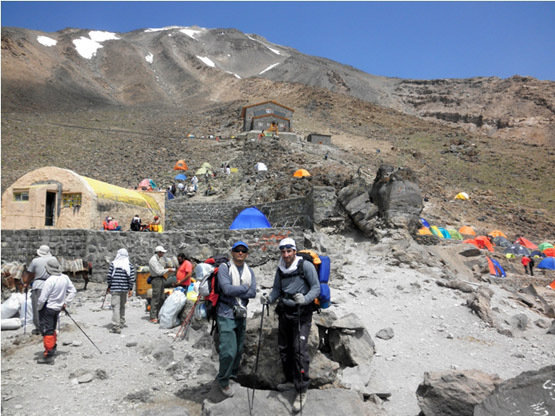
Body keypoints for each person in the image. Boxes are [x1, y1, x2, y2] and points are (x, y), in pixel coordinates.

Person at [261, 238, 320, 413]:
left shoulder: (305, 266)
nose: (286, 255)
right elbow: (277, 290)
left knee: (299, 350)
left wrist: (306, 299)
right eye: (283, 251)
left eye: (289, 251)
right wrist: (269, 299)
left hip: (302, 314)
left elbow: (316, 288)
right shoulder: (280, 269)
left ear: (294, 251)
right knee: (284, 348)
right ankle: (290, 381)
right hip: (285, 313)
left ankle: (302, 389)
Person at [215, 241, 257, 397]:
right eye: (237, 250)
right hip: (225, 313)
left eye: (243, 251)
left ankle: (231, 375)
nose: (240, 253)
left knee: (238, 349)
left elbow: (253, 293)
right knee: (228, 351)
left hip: (241, 313)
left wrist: (237, 291)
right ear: (232, 252)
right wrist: (244, 288)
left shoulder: (249, 271)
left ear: (246, 254)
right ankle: (223, 381)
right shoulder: (224, 269)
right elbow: (226, 289)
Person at [36, 258, 76, 364]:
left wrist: (38, 308)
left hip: (48, 308)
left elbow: (42, 298)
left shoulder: (50, 280)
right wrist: (65, 303)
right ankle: (53, 347)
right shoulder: (65, 277)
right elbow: (73, 291)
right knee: (52, 328)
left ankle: (48, 355)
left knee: (47, 330)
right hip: (58, 308)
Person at [22, 245, 54, 335]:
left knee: (37, 307)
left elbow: (30, 274)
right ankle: (50, 326)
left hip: (39, 285)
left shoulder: (35, 261)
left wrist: (26, 284)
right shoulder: (53, 259)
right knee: (50, 306)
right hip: (51, 285)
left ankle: (39, 328)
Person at [107, 248, 135, 334]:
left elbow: (109, 277)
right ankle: (121, 322)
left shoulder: (114, 264)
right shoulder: (129, 265)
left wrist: (109, 286)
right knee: (122, 306)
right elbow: (131, 278)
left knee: (116, 307)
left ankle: (116, 326)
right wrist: (130, 289)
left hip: (115, 289)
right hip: (124, 289)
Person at [148, 246, 175, 323]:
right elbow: (158, 272)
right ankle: (153, 316)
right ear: (159, 252)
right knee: (156, 298)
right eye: (162, 252)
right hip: (156, 279)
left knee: (161, 298)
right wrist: (168, 270)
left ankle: (158, 314)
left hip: (160, 279)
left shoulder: (158, 259)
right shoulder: (153, 260)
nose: (163, 254)